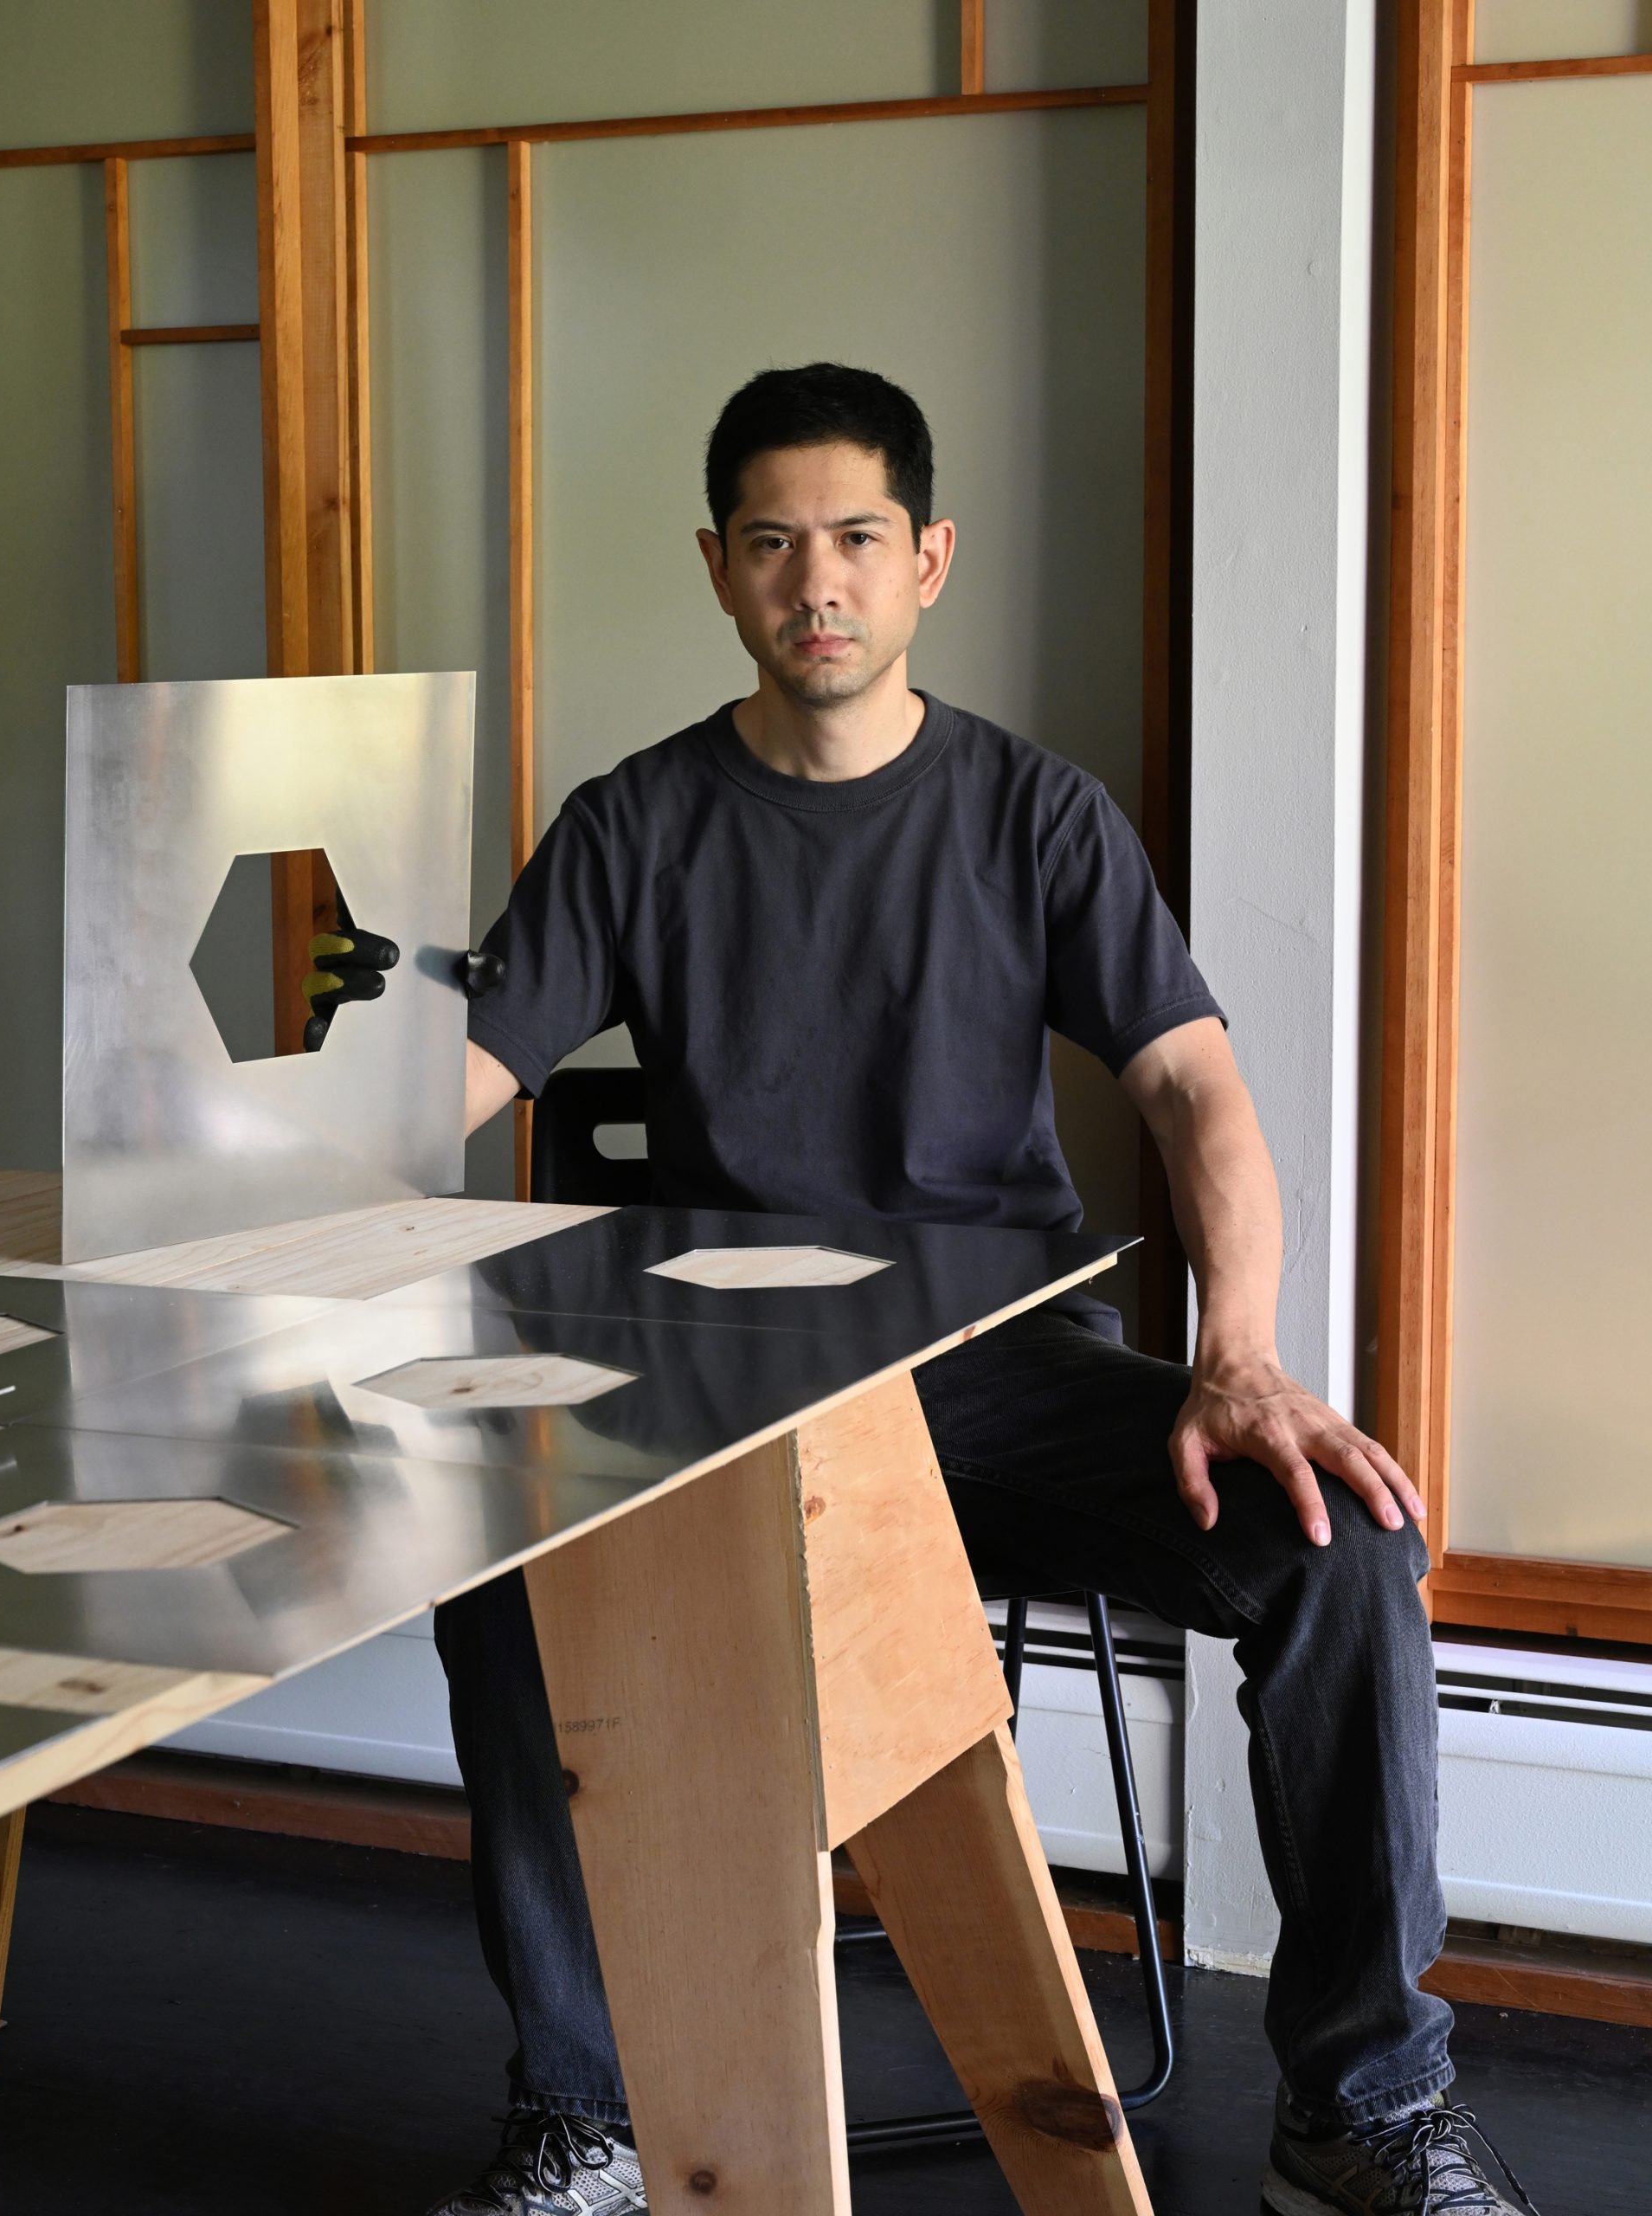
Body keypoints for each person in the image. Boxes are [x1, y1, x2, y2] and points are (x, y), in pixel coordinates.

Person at [331, 363, 1540, 2216]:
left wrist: (1242, 1357)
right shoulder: (634, 821)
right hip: (712, 1399)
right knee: (508, 1567)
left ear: (925, 561)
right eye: (771, 543)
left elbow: (1191, 1084)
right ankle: (585, 2111)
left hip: (993, 1374)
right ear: (721, 572)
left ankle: (1361, 2103)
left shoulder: (1033, 814)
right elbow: (442, 1092)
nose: (815, 579)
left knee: (1339, 1532)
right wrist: (283, 1078)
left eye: (855, 539)